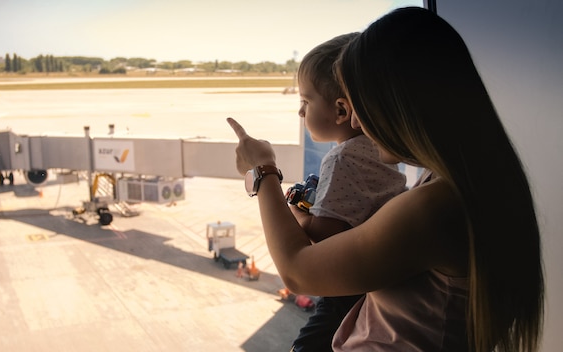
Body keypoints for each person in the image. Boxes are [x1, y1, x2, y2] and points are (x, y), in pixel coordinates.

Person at [227, 6, 543, 352]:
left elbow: (298, 272)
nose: (357, 123)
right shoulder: (463, 185)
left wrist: (263, 170)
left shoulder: (437, 207)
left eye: (361, 104)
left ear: (397, 103)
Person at [289, 32, 406, 352]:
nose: (301, 112)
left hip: (346, 292)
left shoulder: (342, 157)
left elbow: (325, 238)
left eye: (306, 101)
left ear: (341, 111)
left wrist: (296, 212)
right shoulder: (377, 148)